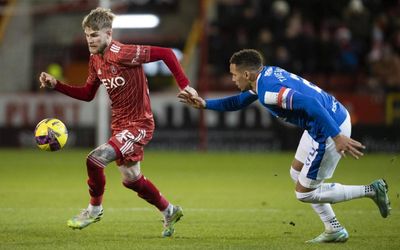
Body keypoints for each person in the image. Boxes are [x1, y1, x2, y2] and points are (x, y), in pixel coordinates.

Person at [178, 49, 391, 243]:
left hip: (328, 127)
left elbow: (310, 104)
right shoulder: (266, 75)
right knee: (296, 173)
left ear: (246, 74)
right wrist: (204, 104)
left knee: (304, 193)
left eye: (234, 74)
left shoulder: (269, 92)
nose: (232, 79)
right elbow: (237, 102)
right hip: (328, 117)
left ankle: (371, 190)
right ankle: (333, 228)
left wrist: (336, 136)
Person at [39, 7, 197, 237]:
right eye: (87, 35)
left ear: (108, 33)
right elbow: (87, 93)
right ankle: (169, 210)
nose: (90, 40)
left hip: (139, 125)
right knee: (132, 180)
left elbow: (167, 54)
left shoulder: (123, 53)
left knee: (94, 160)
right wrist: (57, 85)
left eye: (94, 35)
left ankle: (94, 209)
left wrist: (184, 85)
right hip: (121, 126)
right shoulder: (95, 59)